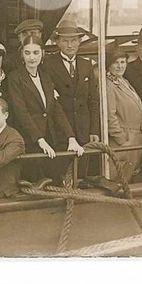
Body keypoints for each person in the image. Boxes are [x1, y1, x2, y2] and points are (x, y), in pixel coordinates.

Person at [6, 37, 84, 183]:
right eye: (27, 53)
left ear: (42, 53)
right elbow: (21, 112)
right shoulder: (15, 77)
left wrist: (71, 137)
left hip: (49, 135)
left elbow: (56, 110)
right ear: (22, 54)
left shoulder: (45, 77)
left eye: (36, 52)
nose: (31, 57)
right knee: (35, 178)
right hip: (29, 140)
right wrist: (40, 140)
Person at [39, 20, 100, 177]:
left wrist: (93, 129)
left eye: (73, 40)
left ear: (79, 42)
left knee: (81, 172)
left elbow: (93, 100)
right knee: (61, 171)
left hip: (84, 129)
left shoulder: (87, 65)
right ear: (57, 42)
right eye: (65, 41)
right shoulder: (47, 64)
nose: (70, 45)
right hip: (60, 129)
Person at [104, 45, 142, 181]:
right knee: (119, 179)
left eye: (122, 62)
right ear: (108, 65)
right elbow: (109, 116)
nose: (120, 66)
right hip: (124, 140)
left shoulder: (123, 81)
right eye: (116, 62)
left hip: (134, 138)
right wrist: (122, 139)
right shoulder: (108, 85)